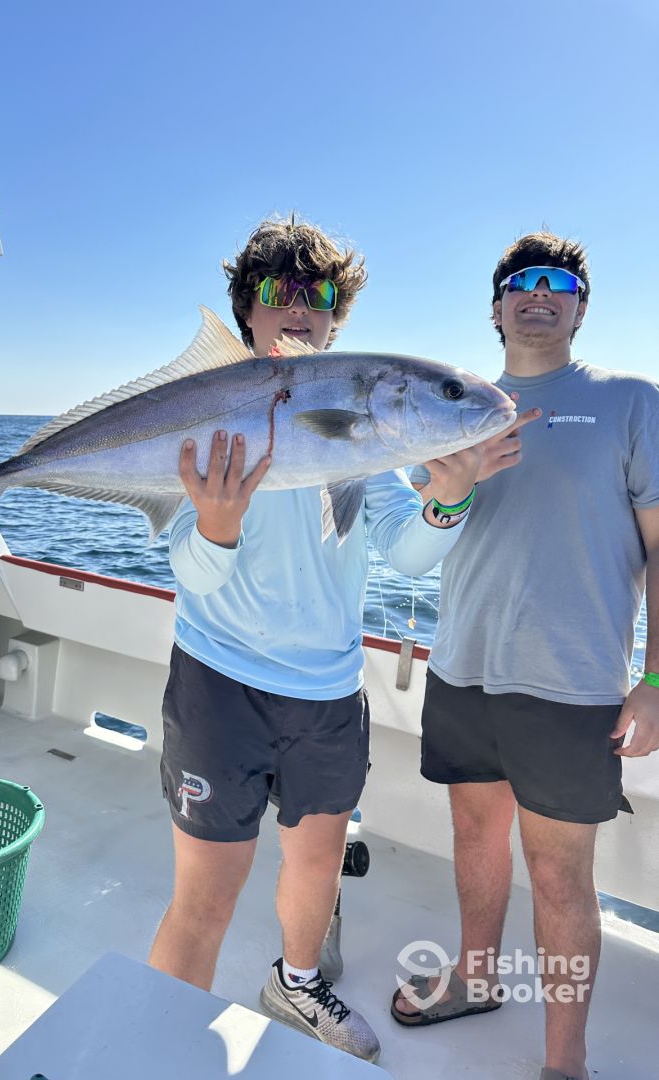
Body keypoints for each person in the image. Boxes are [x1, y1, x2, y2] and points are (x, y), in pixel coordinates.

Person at [147, 216, 493, 1062]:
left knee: (316, 865)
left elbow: (405, 553)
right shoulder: (213, 411)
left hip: (328, 692)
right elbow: (191, 572)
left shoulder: (368, 439)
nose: (301, 307)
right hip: (219, 681)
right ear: (248, 311)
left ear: (337, 320)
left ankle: (296, 986)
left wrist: (450, 500)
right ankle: (151, 1044)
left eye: (320, 295)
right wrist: (217, 526)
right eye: (280, 292)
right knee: (207, 892)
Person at [393, 232, 659, 1080]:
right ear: (496, 306)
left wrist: (655, 678)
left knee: (558, 874)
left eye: (560, 282)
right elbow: (421, 534)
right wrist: (455, 484)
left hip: (572, 686)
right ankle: (475, 979)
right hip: (462, 668)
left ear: (580, 308)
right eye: (522, 280)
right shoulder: (447, 406)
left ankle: (563, 1061)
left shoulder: (632, 402)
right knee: (475, 836)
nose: (540, 292)